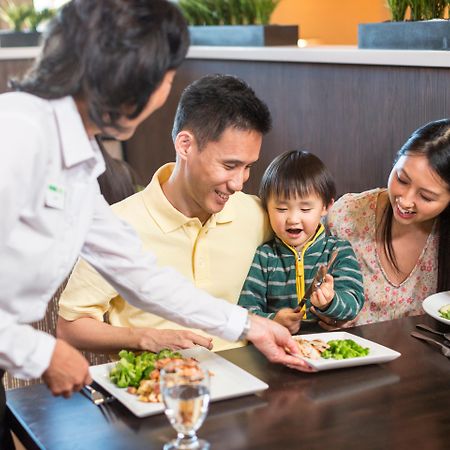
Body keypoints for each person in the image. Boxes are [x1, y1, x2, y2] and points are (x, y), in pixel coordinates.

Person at [0, 1, 310, 448]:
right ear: (131, 76)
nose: (169, 88)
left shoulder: (78, 157)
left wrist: (250, 326)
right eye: (167, 75)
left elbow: (140, 274)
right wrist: (43, 353)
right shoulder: (19, 132)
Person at [57, 74, 272, 354]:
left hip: (248, 384)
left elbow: (314, 243)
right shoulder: (119, 223)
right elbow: (70, 327)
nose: (238, 182)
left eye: (248, 167)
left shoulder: (254, 214)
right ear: (185, 145)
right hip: (154, 389)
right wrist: (142, 338)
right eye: (229, 165)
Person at [325, 119, 450, 328]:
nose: (406, 201)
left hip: (427, 358)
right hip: (348, 355)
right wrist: (325, 311)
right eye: (401, 179)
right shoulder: (346, 215)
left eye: (426, 197)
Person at [238, 150, 364, 334]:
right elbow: (245, 312)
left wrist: (331, 301)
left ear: (325, 207)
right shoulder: (264, 256)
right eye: (281, 209)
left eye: (305, 209)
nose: (293, 219)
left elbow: (353, 303)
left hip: (327, 345)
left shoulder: (338, 251)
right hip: (277, 346)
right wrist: (274, 320)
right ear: (267, 208)